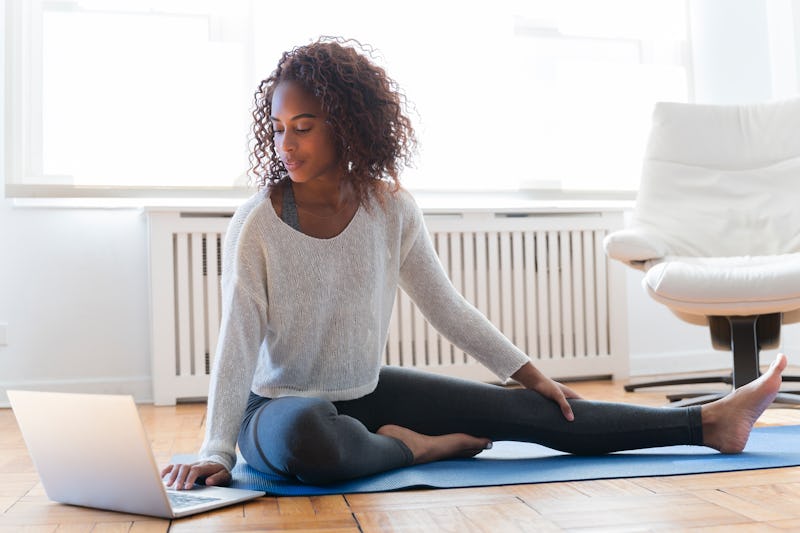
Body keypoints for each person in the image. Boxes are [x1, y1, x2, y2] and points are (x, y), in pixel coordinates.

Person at [162, 36, 787, 489]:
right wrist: (217, 447)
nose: (286, 143)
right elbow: (238, 339)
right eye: (277, 129)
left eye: (303, 126)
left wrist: (530, 374)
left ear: (348, 127)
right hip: (275, 408)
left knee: (540, 412)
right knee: (309, 439)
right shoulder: (259, 222)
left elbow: (447, 308)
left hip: (367, 391)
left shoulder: (390, 209)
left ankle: (706, 423)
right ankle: (414, 452)